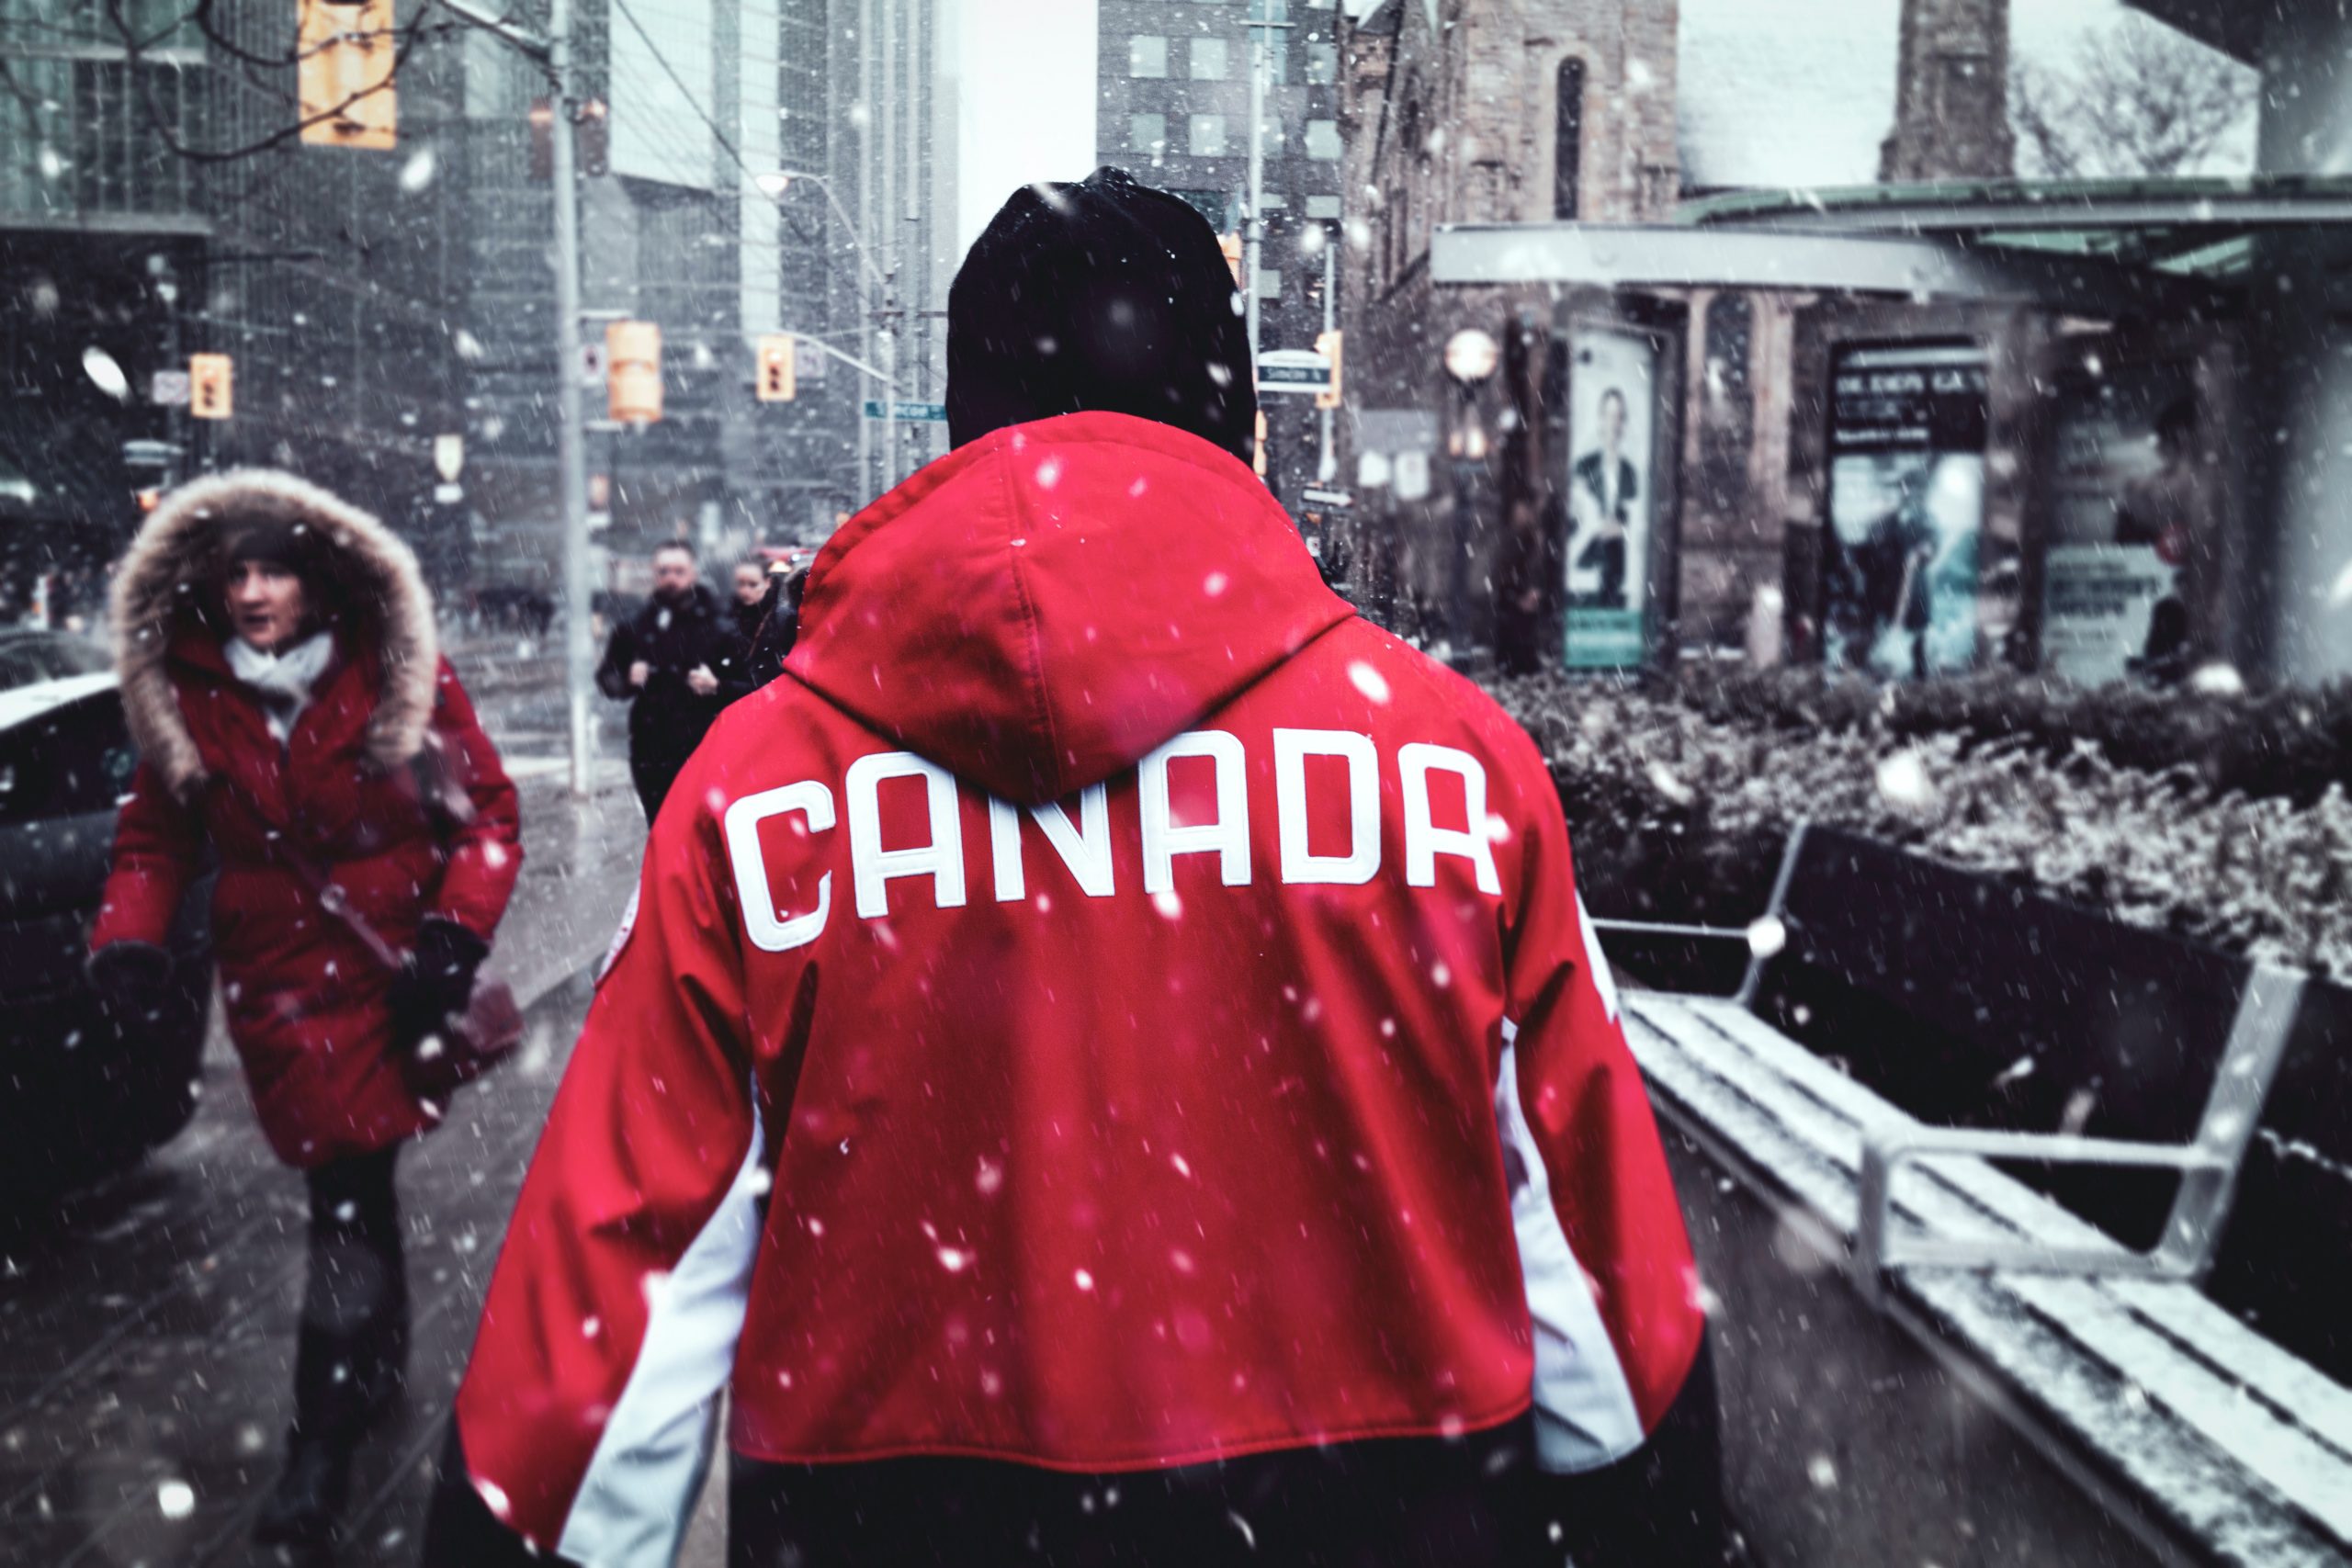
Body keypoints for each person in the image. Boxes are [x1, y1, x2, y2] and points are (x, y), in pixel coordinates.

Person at [425, 167, 1719, 1568]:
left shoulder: (760, 793)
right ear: (1245, 421)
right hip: (1389, 1510)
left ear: (961, 427)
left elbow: (606, 1343)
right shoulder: (1457, 773)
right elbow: (1608, 1311)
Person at [87, 469, 521, 1550]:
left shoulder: (394, 671)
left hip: (387, 978)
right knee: (348, 1181)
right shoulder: (188, 689)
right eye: (234, 571)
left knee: (343, 1189)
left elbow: (488, 813)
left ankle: (320, 1442)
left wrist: (455, 933)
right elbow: (155, 838)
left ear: (318, 582)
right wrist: (128, 943)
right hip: (275, 983)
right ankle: (372, 1369)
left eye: (272, 569)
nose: (251, 592)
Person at [594, 538, 745, 818]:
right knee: (661, 825)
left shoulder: (720, 624)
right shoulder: (636, 625)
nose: (671, 579)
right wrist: (627, 680)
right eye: (664, 571)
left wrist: (718, 686)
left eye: (679, 571)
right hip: (651, 746)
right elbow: (608, 676)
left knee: (701, 826)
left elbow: (750, 685)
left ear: (693, 573)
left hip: (705, 744)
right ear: (654, 573)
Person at [1568, 387, 1636, 609]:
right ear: (1599, 420)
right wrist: (1596, 526)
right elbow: (1574, 519)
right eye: (1608, 415)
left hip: (1618, 574)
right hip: (1585, 569)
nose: (1612, 424)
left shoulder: (1629, 472)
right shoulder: (1583, 466)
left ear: (1623, 423)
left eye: (1618, 417)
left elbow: (1636, 521)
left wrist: (1623, 528)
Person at [729, 558, 771, 648]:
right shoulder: (728, 614)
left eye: (753, 584)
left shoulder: (780, 615)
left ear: (767, 583)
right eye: (740, 584)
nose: (745, 591)